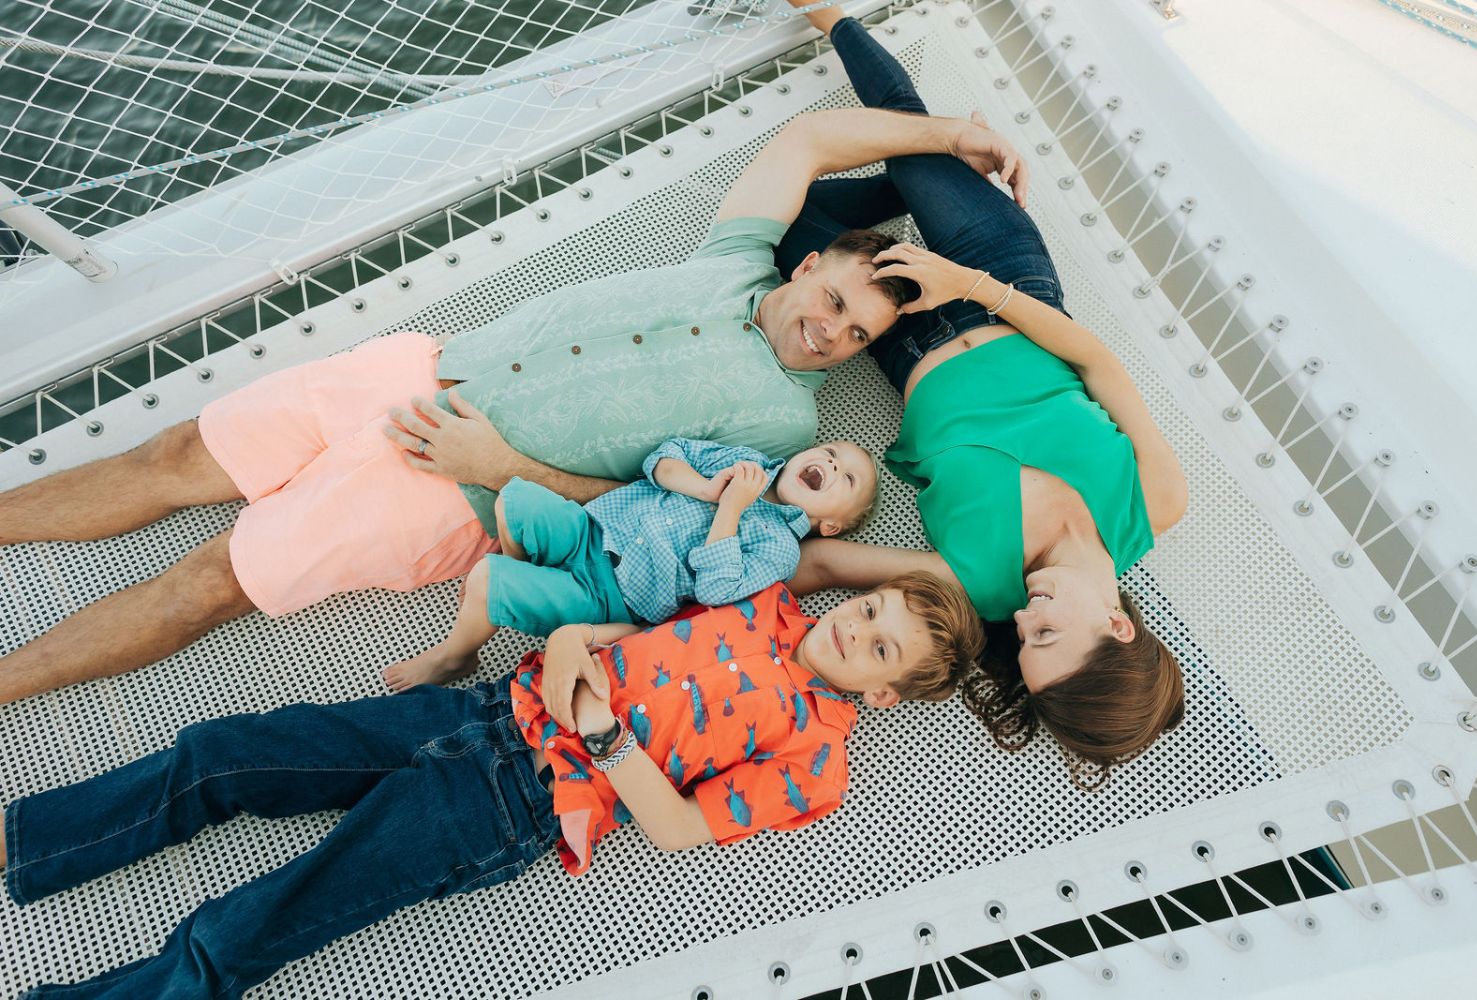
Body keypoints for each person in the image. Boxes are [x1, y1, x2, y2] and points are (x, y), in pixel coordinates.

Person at [0, 97, 1032, 704]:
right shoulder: (736, 255)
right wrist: (953, 135)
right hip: (411, 369)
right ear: (812, 266)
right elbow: (807, 140)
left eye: (857, 336)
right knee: (174, 455)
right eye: (840, 301)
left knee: (210, 579)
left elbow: (638, 501)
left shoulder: (784, 426)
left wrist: (500, 471)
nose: (834, 332)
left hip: (452, 483)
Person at [1, 575, 984, 997]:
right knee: (222, 751)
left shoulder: (818, 759)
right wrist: (564, 643)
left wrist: (600, 737)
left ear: (886, 693)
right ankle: (33, 842)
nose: (854, 626)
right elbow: (614, 635)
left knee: (245, 925)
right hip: (479, 711)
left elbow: (681, 827)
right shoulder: (768, 600)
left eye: (879, 644)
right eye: (868, 608)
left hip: (508, 802)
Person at [779, 4, 1188, 787]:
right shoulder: (1156, 503)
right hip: (1003, 282)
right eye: (1048, 634)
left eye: (1022, 644)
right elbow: (1100, 364)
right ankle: (832, 14)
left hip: (895, 334)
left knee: (786, 212)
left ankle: (906, 191)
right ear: (1115, 625)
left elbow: (823, 562)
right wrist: (967, 284)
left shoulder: (975, 588)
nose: (1024, 618)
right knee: (911, 129)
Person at [383, 437, 878, 690]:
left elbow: (717, 589)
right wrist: (706, 488)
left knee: (488, 577)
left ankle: (457, 654)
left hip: (613, 595)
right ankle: (527, 586)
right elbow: (665, 456)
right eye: (831, 452)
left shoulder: (780, 548)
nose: (832, 464)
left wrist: (730, 509)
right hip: (592, 529)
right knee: (516, 499)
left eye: (847, 478)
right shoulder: (745, 460)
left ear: (829, 526)